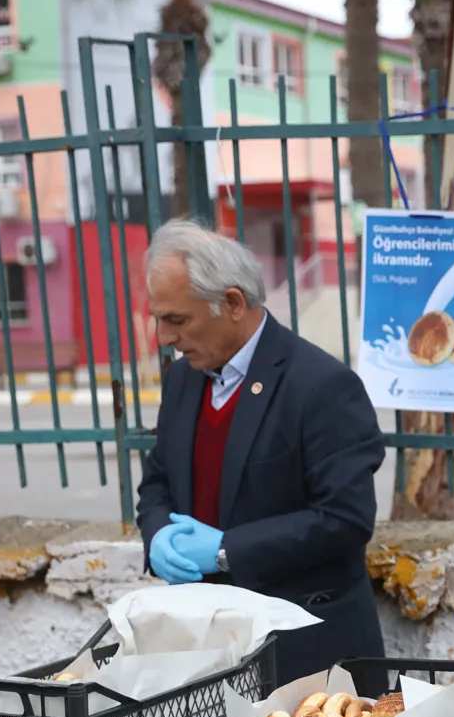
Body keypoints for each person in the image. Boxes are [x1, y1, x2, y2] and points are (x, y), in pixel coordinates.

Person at [135, 219, 387, 682]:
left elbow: (345, 519)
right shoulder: (184, 381)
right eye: (158, 319)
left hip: (308, 658)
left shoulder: (320, 386)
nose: (164, 339)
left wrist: (227, 549)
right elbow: (158, 482)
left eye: (177, 320)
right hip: (209, 650)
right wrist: (157, 538)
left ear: (232, 303)